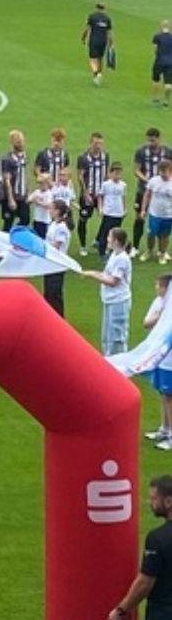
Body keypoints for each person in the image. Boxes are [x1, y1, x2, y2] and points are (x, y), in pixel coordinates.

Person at [107, 474, 172, 620]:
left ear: (168, 501)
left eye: (154, 499)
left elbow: (145, 582)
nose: (150, 503)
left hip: (164, 614)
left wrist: (121, 609)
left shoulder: (158, 538)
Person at [83, 228, 133, 357]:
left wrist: (92, 275)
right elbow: (106, 274)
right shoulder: (114, 254)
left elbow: (113, 281)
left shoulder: (122, 259)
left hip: (119, 301)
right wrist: (92, 273)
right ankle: (108, 359)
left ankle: (118, 363)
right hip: (110, 299)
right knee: (107, 334)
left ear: (116, 241)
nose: (107, 239)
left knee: (117, 336)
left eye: (110, 237)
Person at [143, 275, 172, 450]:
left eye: (159, 285)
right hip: (159, 356)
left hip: (170, 359)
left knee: (170, 397)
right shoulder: (159, 304)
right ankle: (164, 428)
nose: (156, 288)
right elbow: (146, 323)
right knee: (163, 394)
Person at [136, 130, 172, 257]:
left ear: (159, 138)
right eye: (149, 140)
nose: (150, 143)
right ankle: (144, 249)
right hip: (145, 189)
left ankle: (162, 252)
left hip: (167, 213)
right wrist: (149, 181)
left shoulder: (168, 151)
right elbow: (136, 170)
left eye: (153, 140)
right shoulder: (141, 151)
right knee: (148, 228)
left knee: (164, 234)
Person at [77, 132, 110, 257]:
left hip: (101, 194)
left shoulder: (105, 156)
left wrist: (107, 191)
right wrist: (85, 193)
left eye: (100, 144)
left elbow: (106, 173)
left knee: (107, 218)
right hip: (88, 194)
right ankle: (82, 245)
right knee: (84, 219)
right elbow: (80, 176)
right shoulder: (83, 157)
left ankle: (98, 240)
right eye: (96, 143)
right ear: (90, 143)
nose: (98, 146)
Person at [43, 199, 71, 317]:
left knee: (54, 294)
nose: (49, 211)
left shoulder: (62, 227)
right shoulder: (53, 224)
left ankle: (59, 317)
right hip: (49, 263)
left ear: (57, 211)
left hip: (57, 264)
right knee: (48, 293)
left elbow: (56, 245)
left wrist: (42, 249)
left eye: (51, 209)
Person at [143, 159, 172, 265]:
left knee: (164, 235)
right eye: (161, 171)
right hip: (154, 214)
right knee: (151, 234)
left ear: (170, 171)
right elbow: (147, 195)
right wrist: (143, 209)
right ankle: (149, 250)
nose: (163, 174)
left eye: (165, 172)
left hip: (168, 215)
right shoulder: (154, 181)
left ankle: (162, 253)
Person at [0, 130, 30, 232]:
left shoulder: (24, 156)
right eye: (18, 141)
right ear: (12, 143)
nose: (21, 143)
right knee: (8, 222)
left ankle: (14, 236)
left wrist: (27, 191)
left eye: (22, 141)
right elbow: (6, 180)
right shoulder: (7, 159)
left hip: (22, 196)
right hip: (12, 196)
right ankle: (4, 243)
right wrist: (10, 199)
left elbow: (25, 174)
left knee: (25, 219)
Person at [99, 162, 129, 260]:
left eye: (119, 173)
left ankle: (112, 251)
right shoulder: (106, 184)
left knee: (116, 233)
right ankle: (102, 252)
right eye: (115, 173)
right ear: (111, 174)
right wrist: (101, 208)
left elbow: (123, 197)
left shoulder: (123, 185)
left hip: (118, 213)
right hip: (108, 212)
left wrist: (124, 209)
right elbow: (100, 196)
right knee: (105, 233)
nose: (117, 175)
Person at [82, 1, 113, 86]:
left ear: (96, 8)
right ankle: (99, 75)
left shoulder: (92, 16)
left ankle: (96, 73)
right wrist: (111, 43)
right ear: (104, 8)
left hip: (94, 40)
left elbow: (87, 29)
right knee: (100, 58)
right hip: (103, 41)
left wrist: (83, 38)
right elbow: (109, 32)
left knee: (92, 59)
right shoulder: (107, 18)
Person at [154, 20, 172, 108]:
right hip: (170, 62)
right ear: (169, 27)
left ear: (161, 26)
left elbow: (155, 49)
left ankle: (156, 97)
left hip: (159, 61)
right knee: (168, 83)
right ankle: (166, 100)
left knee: (156, 79)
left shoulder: (157, 36)